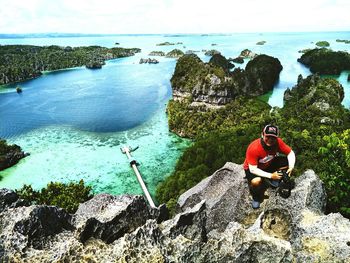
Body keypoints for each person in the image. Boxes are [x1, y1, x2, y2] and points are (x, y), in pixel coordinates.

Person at [243, 124, 296, 209]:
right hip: (253, 169)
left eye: (273, 138)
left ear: (277, 138)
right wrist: (271, 175)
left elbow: (290, 153)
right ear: (262, 134)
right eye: (268, 136)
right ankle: (256, 197)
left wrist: (291, 167)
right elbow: (253, 169)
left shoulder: (278, 142)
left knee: (287, 162)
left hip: (267, 163)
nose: (270, 140)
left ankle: (276, 178)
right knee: (256, 181)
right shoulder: (254, 148)